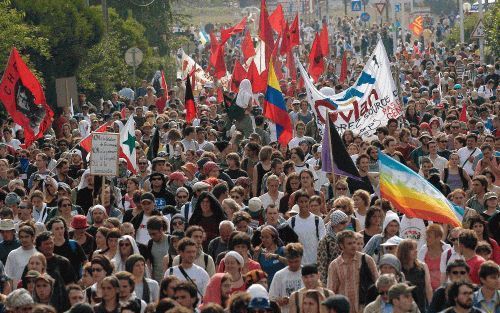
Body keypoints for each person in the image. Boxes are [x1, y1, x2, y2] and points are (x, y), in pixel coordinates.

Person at [327, 230, 379, 313]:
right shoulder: (335, 265)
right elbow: (331, 290)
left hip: (364, 308)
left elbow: (377, 282)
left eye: (354, 242)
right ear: (341, 245)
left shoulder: (367, 259)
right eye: (349, 243)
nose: (354, 246)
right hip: (344, 309)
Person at [287, 191, 326, 264]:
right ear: (297, 203)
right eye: (301, 202)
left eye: (306, 201)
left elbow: (322, 240)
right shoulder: (291, 221)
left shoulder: (317, 220)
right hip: (298, 263)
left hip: (315, 262)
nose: (304, 204)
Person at [396, 239, 432, 313]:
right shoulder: (397, 268)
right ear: (404, 252)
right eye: (412, 249)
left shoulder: (423, 266)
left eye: (416, 248)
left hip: (421, 308)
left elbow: (428, 288)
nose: (416, 251)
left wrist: (432, 307)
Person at [269, 243, 305, 313]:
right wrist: (280, 300)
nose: (293, 265)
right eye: (290, 262)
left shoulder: (307, 273)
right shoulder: (279, 275)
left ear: (301, 257)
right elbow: (272, 297)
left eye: (296, 261)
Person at [317, 210, 348, 285]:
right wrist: (323, 284)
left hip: (346, 278)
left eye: (346, 222)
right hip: (332, 278)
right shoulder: (325, 241)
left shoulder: (347, 238)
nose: (345, 225)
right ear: (335, 224)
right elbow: (321, 264)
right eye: (342, 223)